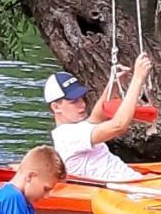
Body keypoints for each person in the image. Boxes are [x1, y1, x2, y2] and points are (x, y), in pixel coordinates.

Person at [44, 53, 153, 181]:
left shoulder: (76, 129)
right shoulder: (67, 136)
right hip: (126, 191)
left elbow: (98, 115)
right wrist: (138, 79)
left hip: (133, 182)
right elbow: (118, 126)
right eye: (74, 102)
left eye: (82, 99)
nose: (83, 105)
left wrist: (114, 84)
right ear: (56, 107)